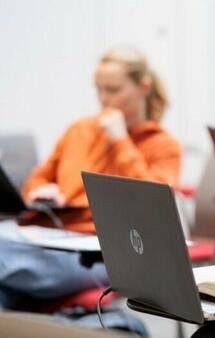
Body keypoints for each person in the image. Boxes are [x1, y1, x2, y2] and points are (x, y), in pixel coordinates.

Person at [0, 47, 181, 308]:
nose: (104, 99)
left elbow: (151, 207)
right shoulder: (79, 130)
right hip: (48, 237)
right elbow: (34, 182)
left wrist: (120, 141)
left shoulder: (164, 145)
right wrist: (44, 190)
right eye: (98, 89)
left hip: (103, 253)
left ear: (143, 87)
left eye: (113, 90)